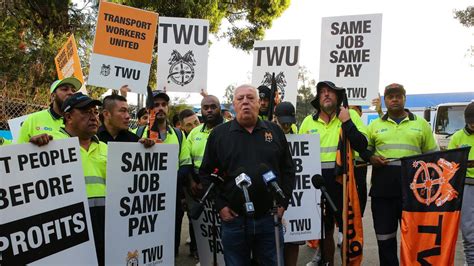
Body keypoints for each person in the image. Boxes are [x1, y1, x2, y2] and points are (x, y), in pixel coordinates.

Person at [200, 84, 295, 265]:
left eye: (250, 98)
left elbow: (288, 170)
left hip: (269, 219)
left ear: (259, 103)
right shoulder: (219, 135)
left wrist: (283, 202)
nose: (245, 102)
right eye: (240, 99)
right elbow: (205, 174)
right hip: (234, 221)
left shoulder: (275, 132)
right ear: (233, 105)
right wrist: (220, 206)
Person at [28, 92, 107, 265]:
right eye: (86, 112)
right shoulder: (50, 144)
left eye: (95, 112)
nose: (94, 117)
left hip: (105, 228)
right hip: (68, 231)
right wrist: (32, 149)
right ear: (68, 116)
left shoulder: (106, 148)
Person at [299, 81, 370, 265]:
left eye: (330, 91)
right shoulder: (308, 121)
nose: (326, 94)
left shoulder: (350, 114)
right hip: (317, 182)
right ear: (318, 99)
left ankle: (348, 262)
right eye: (322, 92)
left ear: (338, 96)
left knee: (347, 226)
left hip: (343, 180)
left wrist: (347, 122)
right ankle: (327, 261)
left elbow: (362, 146)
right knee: (325, 229)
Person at [367, 83, 437, 266]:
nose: (395, 99)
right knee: (385, 240)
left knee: (415, 241)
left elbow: (434, 158)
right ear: (385, 100)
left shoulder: (421, 124)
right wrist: (371, 157)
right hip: (382, 195)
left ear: (405, 98)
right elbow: (363, 155)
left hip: (414, 194)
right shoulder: (374, 126)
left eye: (398, 95)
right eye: (390, 96)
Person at [146, 90, 193, 257]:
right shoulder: (139, 134)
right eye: (155, 105)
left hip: (172, 196)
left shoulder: (179, 135)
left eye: (163, 105)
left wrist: (168, 180)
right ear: (148, 109)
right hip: (147, 199)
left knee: (171, 234)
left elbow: (186, 164)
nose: (160, 108)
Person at [185, 95, 226, 259]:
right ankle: (201, 255)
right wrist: (192, 182)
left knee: (223, 224)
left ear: (220, 108)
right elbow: (186, 160)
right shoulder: (194, 133)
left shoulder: (230, 129)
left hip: (222, 186)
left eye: (213, 106)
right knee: (201, 224)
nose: (209, 110)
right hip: (197, 187)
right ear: (201, 110)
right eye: (205, 107)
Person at [273, 101, 301, 266]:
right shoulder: (266, 134)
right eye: (282, 122)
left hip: (296, 198)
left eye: (288, 122)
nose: (285, 125)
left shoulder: (299, 136)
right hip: (275, 196)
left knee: (294, 241)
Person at [448, 102, 474, 265]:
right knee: (469, 233)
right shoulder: (457, 137)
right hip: (466, 187)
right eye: (471, 121)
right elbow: (449, 162)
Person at [18, 77, 81, 143]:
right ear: (53, 96)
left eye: (73, 91)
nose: (71, 93)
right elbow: (19, 150)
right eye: (65, 89)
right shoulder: (32, 120)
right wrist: (31, 145)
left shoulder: (81, 121)